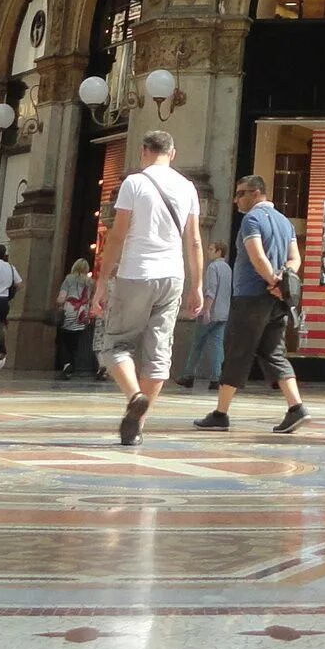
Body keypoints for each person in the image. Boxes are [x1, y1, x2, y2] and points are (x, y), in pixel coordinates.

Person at [97, 129, 204, 445]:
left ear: (143, 151)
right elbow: (195, 239)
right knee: (158, 352)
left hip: (136, 273)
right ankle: (138, 425)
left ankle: (134, 397)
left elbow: (117, 235)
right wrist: (197, 286)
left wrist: (102, 281)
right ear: (172, 154)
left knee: (115, 345)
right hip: (173, 276)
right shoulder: (187, 187)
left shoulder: (134, 182)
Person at [198, 175, 305, 435]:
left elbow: (256, 255)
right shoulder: (285, 222)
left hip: (250, 297)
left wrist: (271, 279)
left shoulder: (251, 220)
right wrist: (282, 283)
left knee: (237, 351)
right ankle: (296, 407)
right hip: (276, 301)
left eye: (240, 193)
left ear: (257, 192)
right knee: (273, 352)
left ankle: (221, 414)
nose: (236, 199)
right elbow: (295, 259)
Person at [190, 244, 230, 391]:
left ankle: (188, 375)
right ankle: (217, 377)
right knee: (217, 346)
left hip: (211, 312)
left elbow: (211, 291)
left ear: (219, 251)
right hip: (223, 313)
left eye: (211, 249)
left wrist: (206, 310)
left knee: (197, 344)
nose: (208, 252)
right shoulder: (228, 268)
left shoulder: (213, 268)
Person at [54, 259, 93, 378]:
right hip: (82, 314)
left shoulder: (69, 279)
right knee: (75, 343)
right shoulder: (90, 282)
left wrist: (58, 304)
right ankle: (72, 367)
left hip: (70, 310)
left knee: (64, 340)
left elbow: (61, 298)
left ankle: (66, 364)